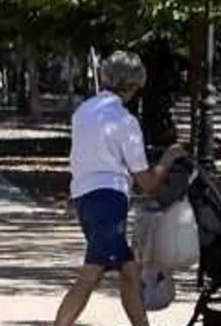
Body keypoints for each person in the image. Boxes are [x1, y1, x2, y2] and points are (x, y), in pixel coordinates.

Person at [53, 50, 186, 326]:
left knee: (129, 271)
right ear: (133, 85)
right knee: (91, 273)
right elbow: (146, 182)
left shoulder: (83, 112)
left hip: (83, 196)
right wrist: (168, 159)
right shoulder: (125, 121)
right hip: (109, 199)